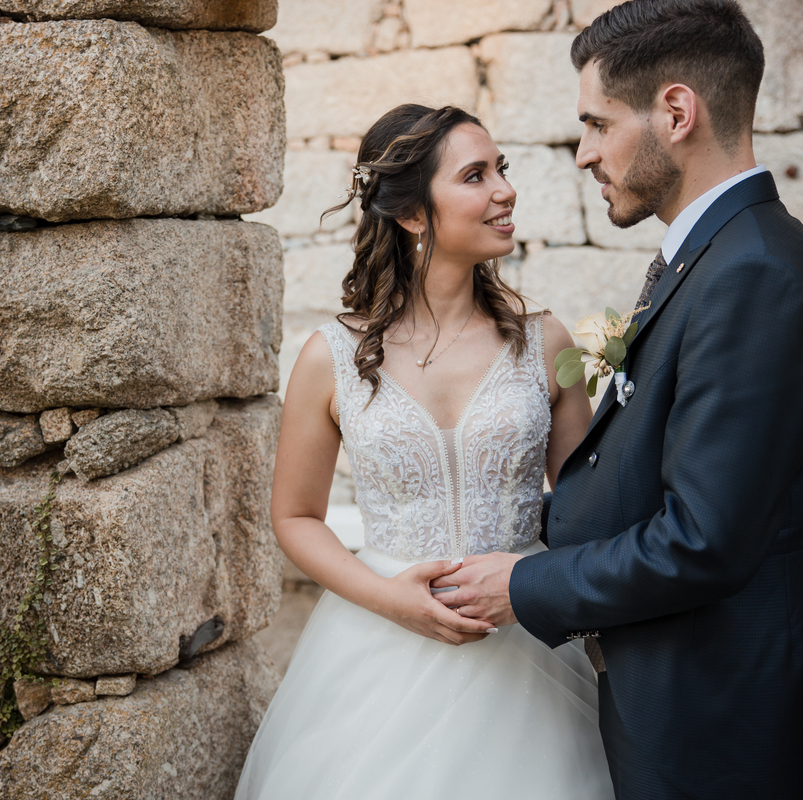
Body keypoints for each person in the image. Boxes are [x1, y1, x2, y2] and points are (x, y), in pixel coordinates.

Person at [431, 1, 803, 798]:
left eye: (597, 123)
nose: (585, 153)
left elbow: (702, 540)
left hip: (722, 731)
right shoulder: (714, 254)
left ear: (676, 110)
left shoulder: (752, 272)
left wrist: (521, 586)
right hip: (680, 703)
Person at [234, 104, 615, 798]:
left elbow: (591, 511)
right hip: (378, 646)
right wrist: (390, 600)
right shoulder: (333, 358)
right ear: (412, 215)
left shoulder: (546, 343)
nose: (505, 190)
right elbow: (293, 517)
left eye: (503, 169)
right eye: (476, 175)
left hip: (526, 639)